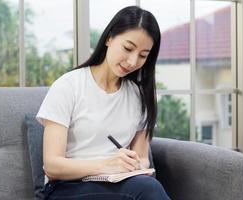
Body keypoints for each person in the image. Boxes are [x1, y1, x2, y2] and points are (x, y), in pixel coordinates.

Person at [36, 5, 171, 200]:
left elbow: (141, 158)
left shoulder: (139, 96)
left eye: (143, 55)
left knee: (146, 186)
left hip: (118, 184)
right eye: (128, 48)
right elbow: (52, 165)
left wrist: (135, 165)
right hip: (67, 188)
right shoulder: (69, 86)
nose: (133, 62)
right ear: (109, 38)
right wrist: (107, 164)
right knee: (147, 190)